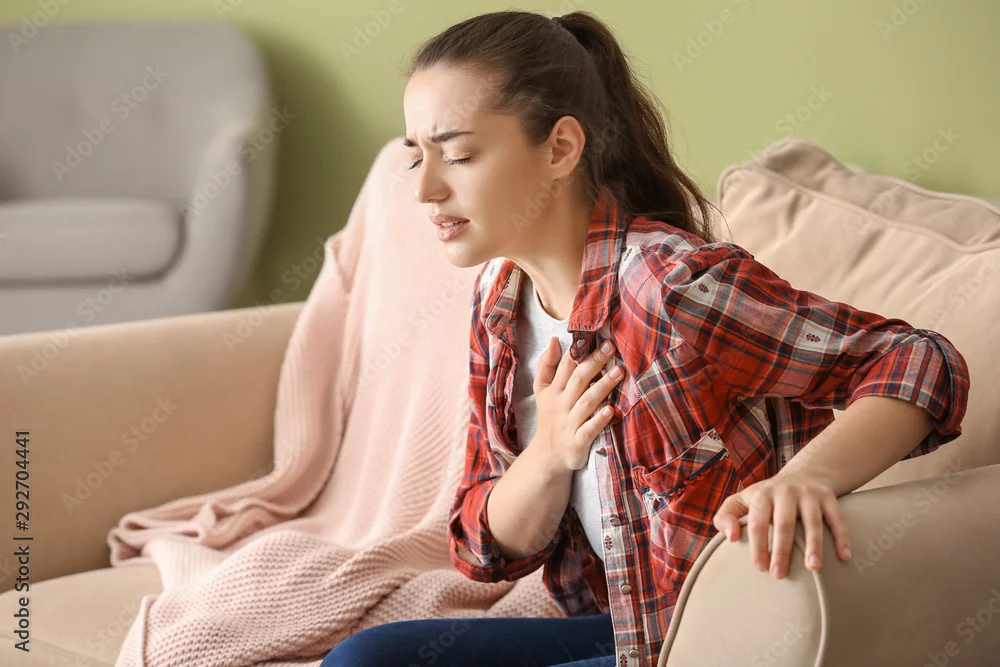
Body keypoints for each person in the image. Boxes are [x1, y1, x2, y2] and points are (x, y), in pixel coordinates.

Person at [322, 9, 970, 667]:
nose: (425, 189)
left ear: (561, 148)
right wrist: (548, 453)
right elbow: (482, 547)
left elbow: (918, 360)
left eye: (459, 155)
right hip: (632, 628)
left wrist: (806, 479)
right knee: (362, 661)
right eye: (417, 156)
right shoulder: (498, 300)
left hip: (720, 641)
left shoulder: (671, 287)